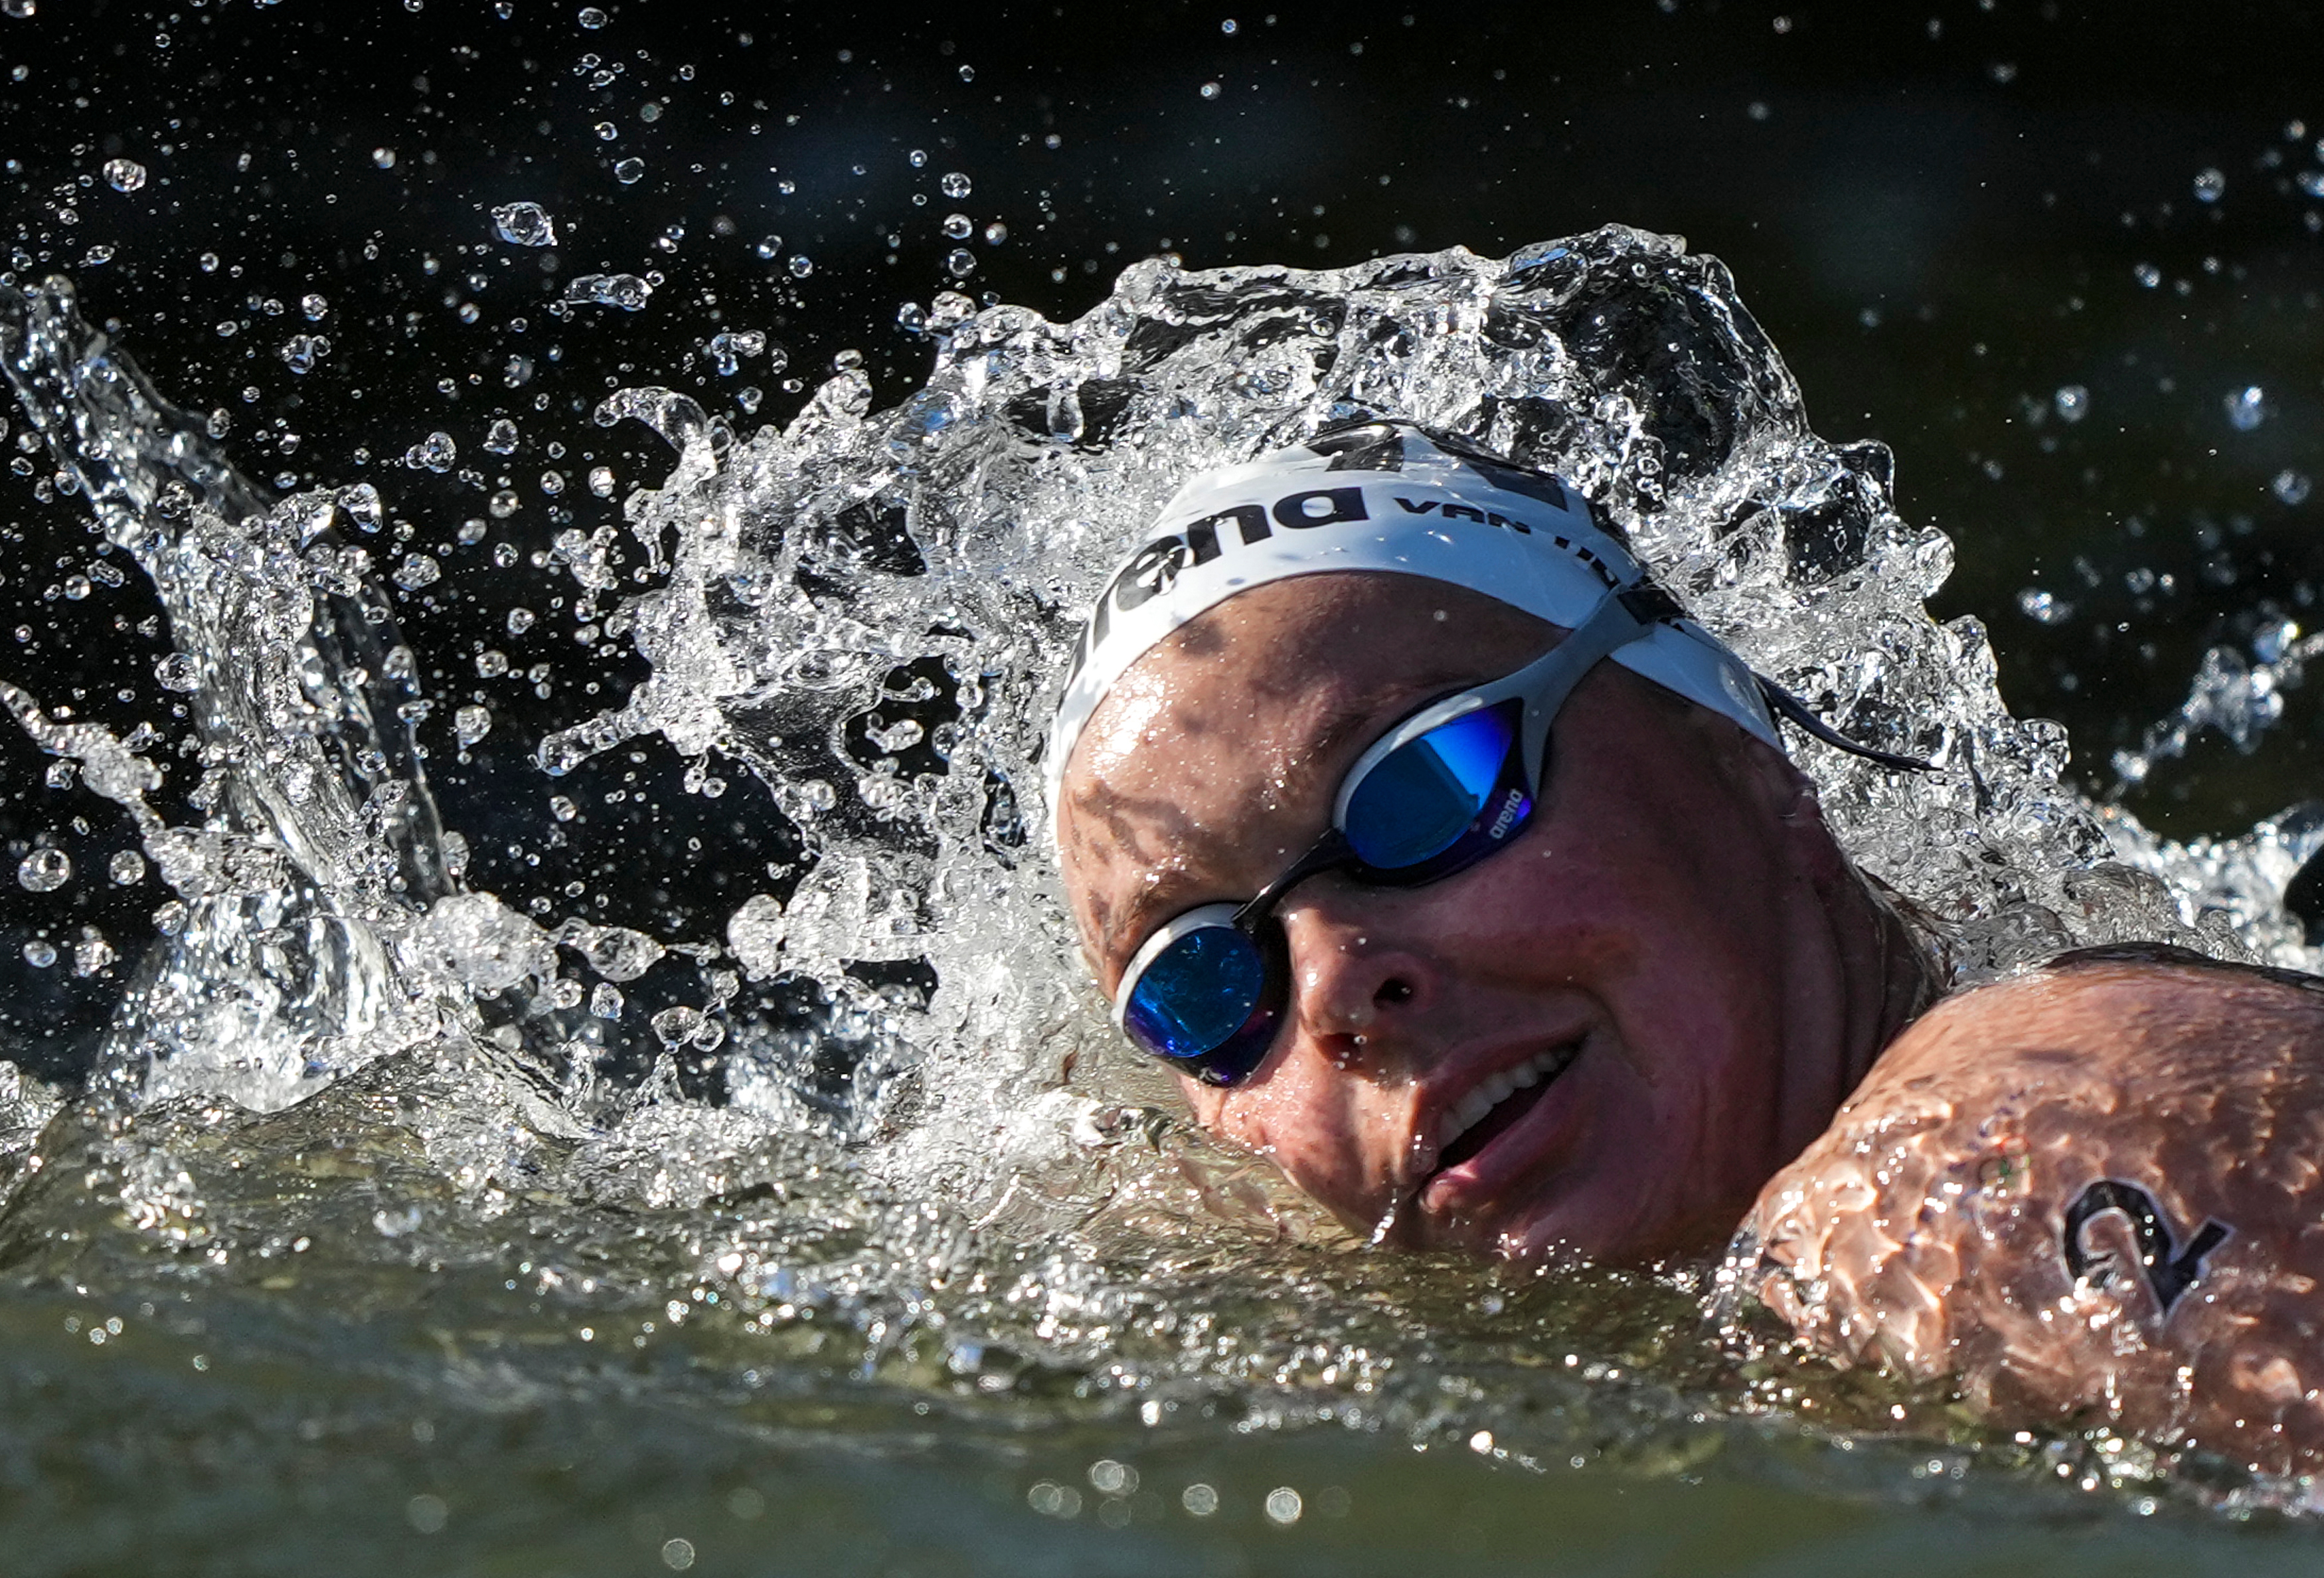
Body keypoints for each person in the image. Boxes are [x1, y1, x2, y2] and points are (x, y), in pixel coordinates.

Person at [1046, 418, 2324, 1470]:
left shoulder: (1983, 1161)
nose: (1334, 993)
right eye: (1202, 983)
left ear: (1745, 756)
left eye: (1423, 791)